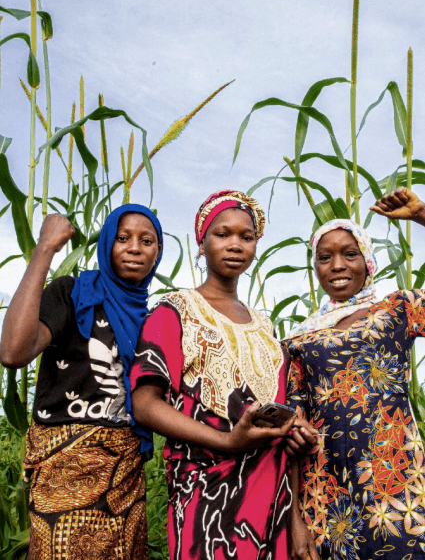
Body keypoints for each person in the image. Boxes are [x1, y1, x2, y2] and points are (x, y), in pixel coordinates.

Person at [130, 189, 317, 560]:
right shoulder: (176, 311)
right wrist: (229, 441)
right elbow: (145, 405)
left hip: (273, 495)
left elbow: (274, 410)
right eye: (223, 234)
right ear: (201, 242)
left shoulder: (265, 327)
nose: (235, 245)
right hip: (206, 493)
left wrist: (294, 432)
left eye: (246, 237)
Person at [0, 204, 163, 560]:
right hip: (63, 468)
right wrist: (45, 249)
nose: (134, 248)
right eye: (123, 238)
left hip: (124, 476)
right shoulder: (72, 294)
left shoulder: (154, 322)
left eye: (146, 241)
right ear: (107, 244)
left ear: (157, 254)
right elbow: (13, 351)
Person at [285, 187, 425, 560]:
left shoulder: (398, 309)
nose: (337, 266)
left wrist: (423, 217)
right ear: (315, 268)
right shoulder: (300, 336)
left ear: (368, 260)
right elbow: (293, 429)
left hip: (394, 481)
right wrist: (297, 521)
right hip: (325, 492)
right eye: (324, 257)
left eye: (350, 254)